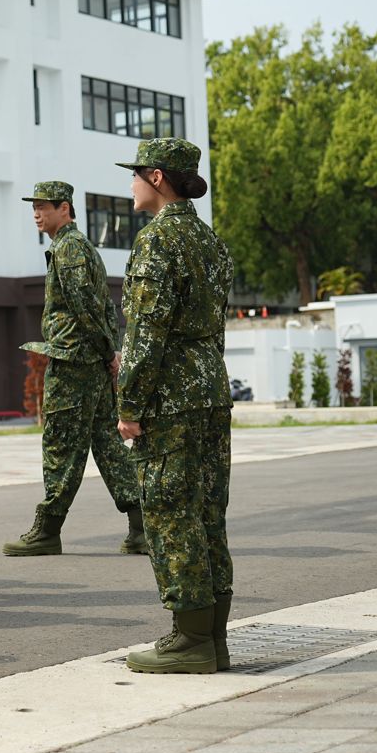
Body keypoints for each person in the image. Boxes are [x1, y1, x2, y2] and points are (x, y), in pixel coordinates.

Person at [114, 138, 235, 674]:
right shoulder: (210, 242)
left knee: (169, 512)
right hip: (211, 391)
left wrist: (130, 406)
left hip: (171, 400)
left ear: (158, 177)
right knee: (208, 513)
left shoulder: (157, 241)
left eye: (137, 174)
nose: (132, 184)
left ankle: (190, 640)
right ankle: (214, 639)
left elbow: (145, 335)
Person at [3, 181, 145, 556]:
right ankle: (141, 526)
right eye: (34, 206)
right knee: (108, 444)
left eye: (44, 206)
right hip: (88, 362)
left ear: (64, 209)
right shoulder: (74, 247)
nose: (37, 212)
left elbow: (86, 308)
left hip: (74, 363)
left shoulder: (69, 249)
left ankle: (47, 530)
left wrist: (108, 353)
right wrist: (106, 354)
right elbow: (100, 306)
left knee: (61, 447)